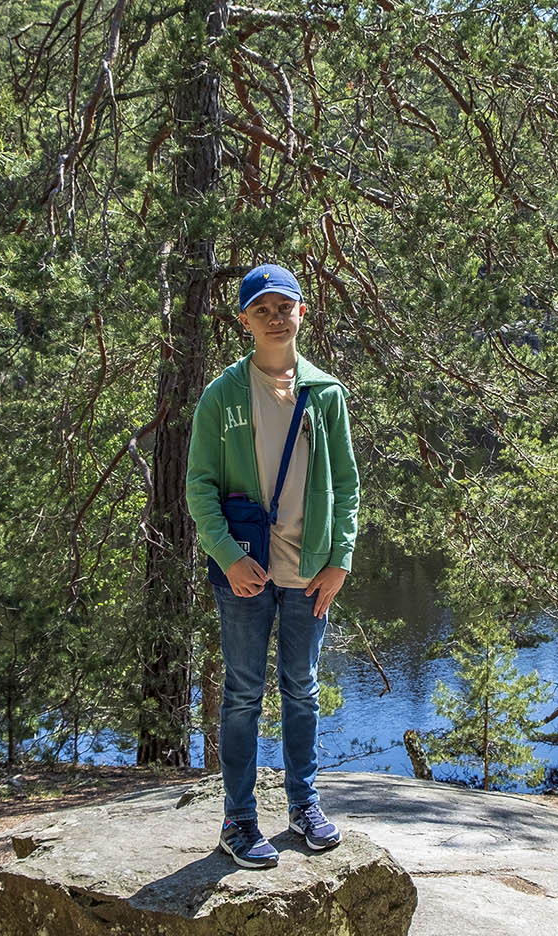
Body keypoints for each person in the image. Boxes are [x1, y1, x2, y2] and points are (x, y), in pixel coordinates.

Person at [185, 264, 359, 866]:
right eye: (262, 309)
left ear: (302, 313)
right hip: (245, 571)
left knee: (302, 690)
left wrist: (339, 561)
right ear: (245, 322)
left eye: (285, 306)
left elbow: (347, 487)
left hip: (308, 571)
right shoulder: (222, 394)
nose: (275, 317)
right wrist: (228, 557)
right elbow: (200, 486)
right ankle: (238, 820)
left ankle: (304, 805)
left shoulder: (325, 393)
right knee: (242, 694)